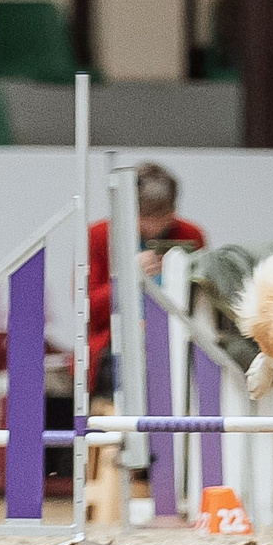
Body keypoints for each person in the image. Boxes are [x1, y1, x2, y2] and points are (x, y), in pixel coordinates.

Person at [87, 162, 207, 397]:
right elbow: (89, 308)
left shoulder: (191, 235)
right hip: (116, 342)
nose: (156, 225)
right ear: (130, 211)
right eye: (147, 217)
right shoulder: (100, 235)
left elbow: (205, 297)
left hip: (178, 337)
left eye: (165, 216)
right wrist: (126, 277)